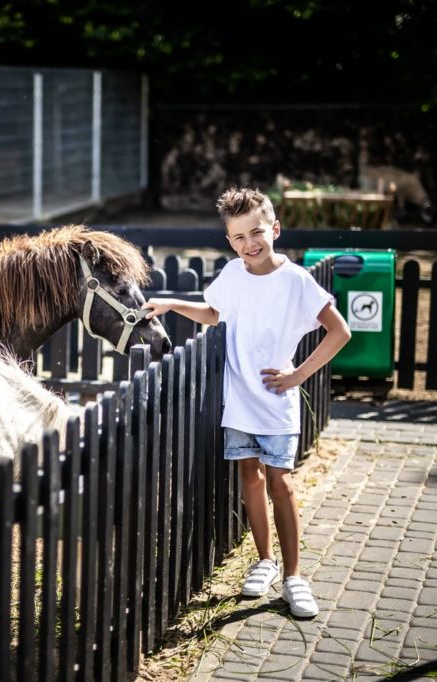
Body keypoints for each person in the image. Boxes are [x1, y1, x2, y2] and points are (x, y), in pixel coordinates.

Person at [142, 187, 351, 618]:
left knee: (281, 484)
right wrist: (171, 305)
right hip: (238, 402)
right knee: (250, 479)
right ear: (230, 241)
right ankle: (265, 561)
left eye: (256, 232)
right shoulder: (233, 274)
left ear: (275, 229)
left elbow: (340, 331)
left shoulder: (296, 280)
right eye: (239, 237)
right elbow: (215, 314)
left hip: (277, 400)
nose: (249, 243)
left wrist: (298, 375)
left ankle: (294, 578)